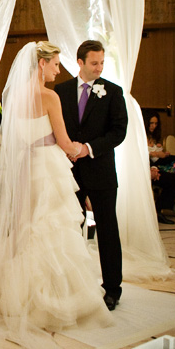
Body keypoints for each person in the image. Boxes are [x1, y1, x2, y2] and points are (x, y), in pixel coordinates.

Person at [0, 41, 111, 349]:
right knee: (52, 228)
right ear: (41, 64)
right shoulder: (50, 97)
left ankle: (15, 295)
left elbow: (19, 139)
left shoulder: (15, 98)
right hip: (47, 167)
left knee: (27, 227)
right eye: (54, 64)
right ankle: (52, 299)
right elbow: (63, 141)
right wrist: (81, 149)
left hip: (25, 167)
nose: (58, 70)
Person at [54, 40, 128, 311]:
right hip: (69, 172)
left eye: (102, 63)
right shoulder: (60, 91)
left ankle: (112, 289)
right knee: (69, 229)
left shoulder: (113, 92)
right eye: (94, 63)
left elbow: (119, 132)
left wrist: (88, 148)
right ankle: (72, 284)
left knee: (107, 230)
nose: (99, 68)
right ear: (80, 62)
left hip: (101, 171)